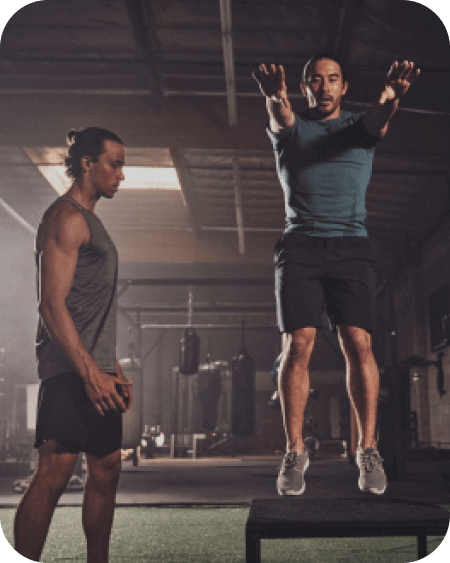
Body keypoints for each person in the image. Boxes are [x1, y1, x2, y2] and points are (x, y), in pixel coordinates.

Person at [252, 55, 420, 496]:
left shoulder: (359, 130)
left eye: (332, 80)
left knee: (358, 342)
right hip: (301, 245)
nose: (323, 87)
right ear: (305, 86)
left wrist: (390, 97)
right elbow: (280, 114)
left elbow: (380, 116)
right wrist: (274, 95)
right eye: (315, 81)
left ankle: (367, 449)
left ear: (344, 86)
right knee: (298, 342)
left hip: (351, 246)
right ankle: (294, 450)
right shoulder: (291, 130)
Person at [13, 127, 133, 562]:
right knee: (55, 472)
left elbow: (90, 307)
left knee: (106, 468)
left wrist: (110, 368)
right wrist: (88, 373)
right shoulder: (67, 217)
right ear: (88, 163)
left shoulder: (92, 220)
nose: (121, 174)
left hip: (95, 371)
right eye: (114, 164)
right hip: (68, 370)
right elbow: (51, 305)